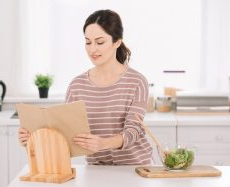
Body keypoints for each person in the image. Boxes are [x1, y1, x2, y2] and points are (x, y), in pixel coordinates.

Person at [19, 9, 152, 165]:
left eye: (100, 42)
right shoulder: (77, 86)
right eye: (88, 42)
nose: (92, 49)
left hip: (136, 168)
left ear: (117, 42)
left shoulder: (137, 82)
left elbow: (133, 131)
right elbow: (65, 135)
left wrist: (103, 143)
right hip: (97, 170)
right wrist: (34, 139)